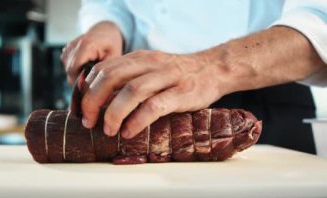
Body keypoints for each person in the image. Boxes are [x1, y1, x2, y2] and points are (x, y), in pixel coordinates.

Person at [61, 0, 327, 154]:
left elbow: (320, 18)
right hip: (143, 101)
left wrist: (212, 68)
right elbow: (112, 4)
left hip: (265, 93)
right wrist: (109, 25)